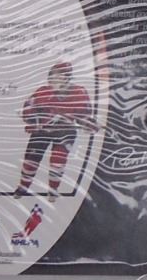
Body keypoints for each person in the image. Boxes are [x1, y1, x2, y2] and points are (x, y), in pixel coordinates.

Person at [12, 62, 94, 199]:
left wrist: (87, 124)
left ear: (67, 78)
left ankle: (53, 189)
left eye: (60, 76)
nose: (55, 80)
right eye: (53, 77)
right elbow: (28, 110)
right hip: (42, 130)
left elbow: (84, 115)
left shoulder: (79, 92)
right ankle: (23, 187)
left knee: (58, 161)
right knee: (31, 160)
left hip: (65, 131)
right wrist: (33, 120)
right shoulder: (42, 91)